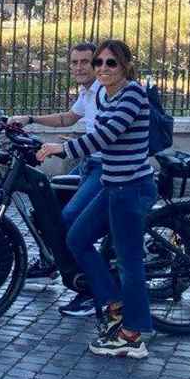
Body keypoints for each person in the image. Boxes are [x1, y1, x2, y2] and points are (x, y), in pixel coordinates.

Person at [37, 39, 155, 360]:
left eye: (111, 63)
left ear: (125, 65)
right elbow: (89, 130)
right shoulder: (104, 93)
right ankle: (112, 304)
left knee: (130, 263)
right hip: (110, 184)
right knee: (76, 237)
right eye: (99, 63)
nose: (102, 68)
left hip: (131, 188)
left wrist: (62, 149)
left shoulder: (133, 94)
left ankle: (133, 335)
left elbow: (106, 136)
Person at [9, 40, 103, 315]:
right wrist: (29, 119)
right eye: (74, 62)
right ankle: (51, 262)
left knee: (70, 221)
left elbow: (104, 136)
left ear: (97, 63)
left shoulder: (103, 92)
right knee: (45, 209)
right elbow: (67, 118)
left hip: (103, 168)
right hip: (87, 164)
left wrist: (63, 148)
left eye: (85, 61)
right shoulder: (87, 93)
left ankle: (90, 288)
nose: (78, 67)